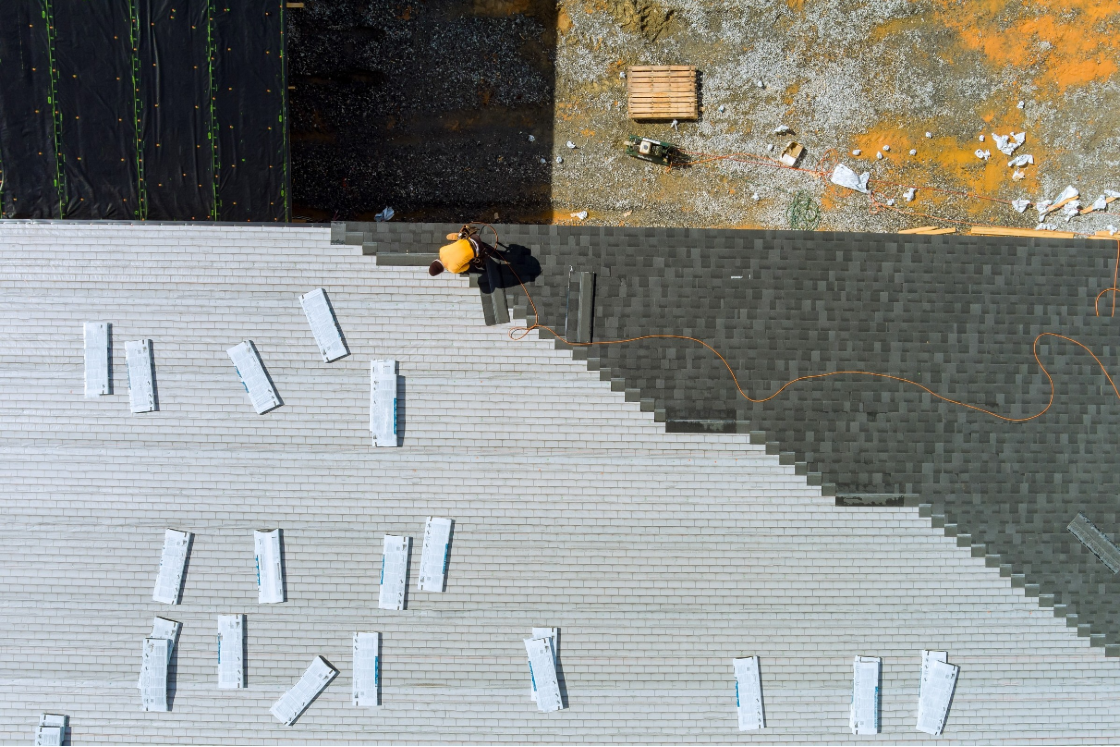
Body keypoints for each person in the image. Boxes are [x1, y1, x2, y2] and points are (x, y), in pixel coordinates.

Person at [429, 226, 496, 276]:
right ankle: (460, 236)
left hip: (480, 250)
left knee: (476, 263)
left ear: (441, 271)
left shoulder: (453, 269)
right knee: (453, 244)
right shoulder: (441, 250)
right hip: (474, 237)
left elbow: (467, 266)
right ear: (435, 261)